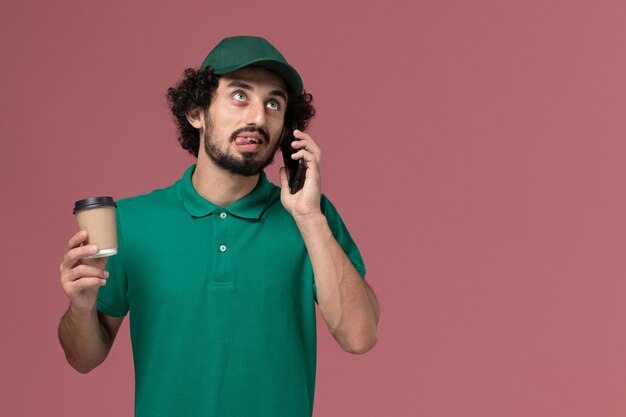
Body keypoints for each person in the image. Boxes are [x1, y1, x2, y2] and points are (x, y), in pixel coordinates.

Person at [58, 35, 379, 417]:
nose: (258, 118)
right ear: (196, 112)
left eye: (273, 104)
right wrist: (81, 307)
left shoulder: (311, 217)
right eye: (240, 96)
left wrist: (309, 219)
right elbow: (83, 359)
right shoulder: (131, 221)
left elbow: (360, 337)